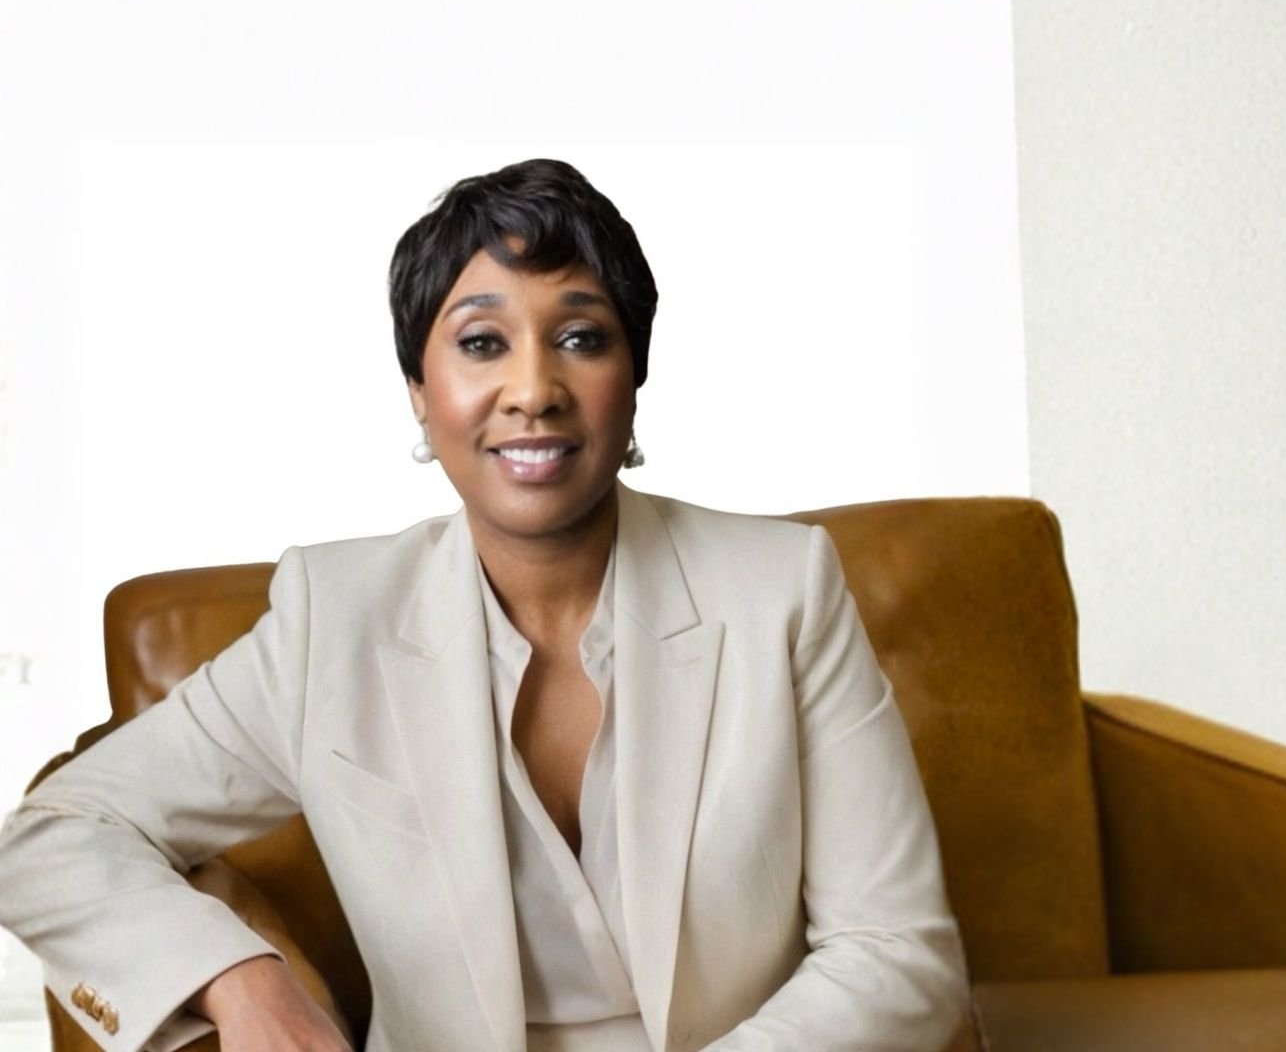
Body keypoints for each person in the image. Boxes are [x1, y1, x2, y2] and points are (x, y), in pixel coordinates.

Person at [0, 158, 969, 1052]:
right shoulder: (332, 618)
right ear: (421, 393)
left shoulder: (782, 588)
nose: (533, 389)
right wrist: (240, 979)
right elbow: (53, 835)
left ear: (633, 379)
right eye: (481, 343)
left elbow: (898, 951)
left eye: (582, 338)